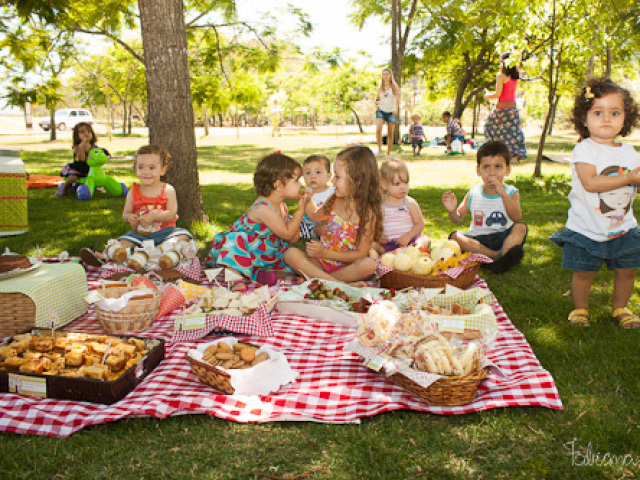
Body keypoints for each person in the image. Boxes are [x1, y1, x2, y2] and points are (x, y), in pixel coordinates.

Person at [550, 78, 640, 328]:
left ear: (626, 118)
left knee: (628, 270)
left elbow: (635, 185)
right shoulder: (585, 150)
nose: (607, 119)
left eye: (615, 113)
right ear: (584, 117)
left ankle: (620, 308)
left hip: (623, 226)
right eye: (598, 112)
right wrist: (630, 177)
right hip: (587, 227)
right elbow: (590, 182)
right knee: (584, 271)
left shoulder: (630, 154)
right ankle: (581, 308)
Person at [206, 152, 310, 289]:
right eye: (297, 180)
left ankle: (258, 274)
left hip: (263, 254)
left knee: (289, 257)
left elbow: (292, 238)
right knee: (235, 239)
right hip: (243, 251)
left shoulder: (282, 206)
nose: (301, 184)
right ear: (278, 185)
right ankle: (234, 278)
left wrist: (298, 216)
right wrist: (300, 211)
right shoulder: (263, 208)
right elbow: (287, 234)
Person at [80, 145, 193, 265]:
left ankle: (157, 252)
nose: (146, 172)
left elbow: (171, 213)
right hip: (139, 235)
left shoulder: (168, 189)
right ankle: (104, 256)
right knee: (123, 241)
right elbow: (126, 213)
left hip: (165, 232)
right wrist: (130, 217)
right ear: (135, 169)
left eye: (151, 168)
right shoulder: (133, 191)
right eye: (141, 167)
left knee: (183, 236)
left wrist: (153, 217)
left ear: (162, 170)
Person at [285, 146, 382, 285]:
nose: (333, 181)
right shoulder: (334, 199)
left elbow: (360, 253)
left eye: (337, 176)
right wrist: (307, 199)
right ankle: (337, 283)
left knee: (369, 265)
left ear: (358, 180)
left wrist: (325, 253)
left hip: (347, 267)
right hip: (321, 263)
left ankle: (318, 280)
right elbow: (314, 216)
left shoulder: (367, 213)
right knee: (291, 254)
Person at [442, 140, 527, 273]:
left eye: (498, 167)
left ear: (507, 170)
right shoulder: (473, 193)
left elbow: (517, 217)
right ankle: (498, 257)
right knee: (455, 236)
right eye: (486, 167)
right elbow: (457, 219)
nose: (492, 173)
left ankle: (499, 254)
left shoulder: (511, 192)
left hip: (503, 237)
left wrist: (503, 194)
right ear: (478, 171)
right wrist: (452, 211)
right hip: (478, 240)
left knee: (521, 228)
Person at [372, 157, 429, 255]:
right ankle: (382, 259)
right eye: (397, 184)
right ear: (384, 184)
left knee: (424, 240)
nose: (403, 187)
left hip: (410, 242)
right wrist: (378, 236)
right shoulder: (380, 205)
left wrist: (408, 236)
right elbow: (374, 225)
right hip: (388, 245)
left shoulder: (410, 203)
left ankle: (417, 252)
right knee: (371, 245)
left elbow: (419, 224)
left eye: (405, 183)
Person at [484, 52, 527, 161]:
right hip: (512, 108)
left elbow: (498, 94)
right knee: (513, 133)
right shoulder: (515, 76)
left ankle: (494, 152)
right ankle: (514, 156)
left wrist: (488, 95)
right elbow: (505, 92)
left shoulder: (500, 75)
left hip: (501, 109)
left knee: (489, 127)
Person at [55, 122, 97, 197]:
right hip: (78, 168)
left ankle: (95, 187)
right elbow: (81, 159)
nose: (86, 133)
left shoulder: (93, 146)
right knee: (72, 178)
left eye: (88, 131)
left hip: (89, 168)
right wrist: (82, 146)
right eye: (82, 132)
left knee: (97, 174)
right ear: (76, 135)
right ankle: (63, 190)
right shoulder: (77, 146)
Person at [299, 154, 334, 240]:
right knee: (321, 229)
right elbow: (313, 217)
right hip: (312, 224)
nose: (312, 176)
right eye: (308, 173)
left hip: (332, 221)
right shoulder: (306, 193)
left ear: (328, 176)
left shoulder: (333, 191)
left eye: (318, 172)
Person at [375, 68, 401, 156]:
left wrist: (396, 109)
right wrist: (376, 101)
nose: (385, 76)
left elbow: (398, 98)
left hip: (391, 111)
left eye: (387, 74)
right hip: (381, 110)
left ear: (390, 76)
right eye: (384, 74)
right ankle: (379, 150)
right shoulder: (380, 87)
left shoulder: (394, 86)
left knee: (390, 133)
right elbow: (377, 98)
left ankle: (388, 153)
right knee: (378, 129)